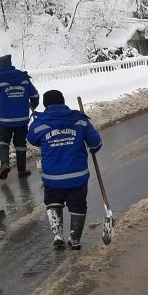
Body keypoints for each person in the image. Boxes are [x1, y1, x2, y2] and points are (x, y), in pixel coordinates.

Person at [28, 90, 102, 250]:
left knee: (53, 203)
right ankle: (75, 239)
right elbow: (95, 142)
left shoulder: (39, 123)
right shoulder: (80, 120)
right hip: (78, 177)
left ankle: (58, 237)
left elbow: (32, 140)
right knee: (78, 205)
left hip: (52, 177)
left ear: (46, 105)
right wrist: (93, 147)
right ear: (63, 102)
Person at [0, 54, 39, 179]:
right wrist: (33, 105)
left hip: (4, 120)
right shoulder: (23, 77)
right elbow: (35, 95)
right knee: (20, 143)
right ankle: (22, 170)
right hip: (22, 119)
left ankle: (5, 163)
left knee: (3, 141)